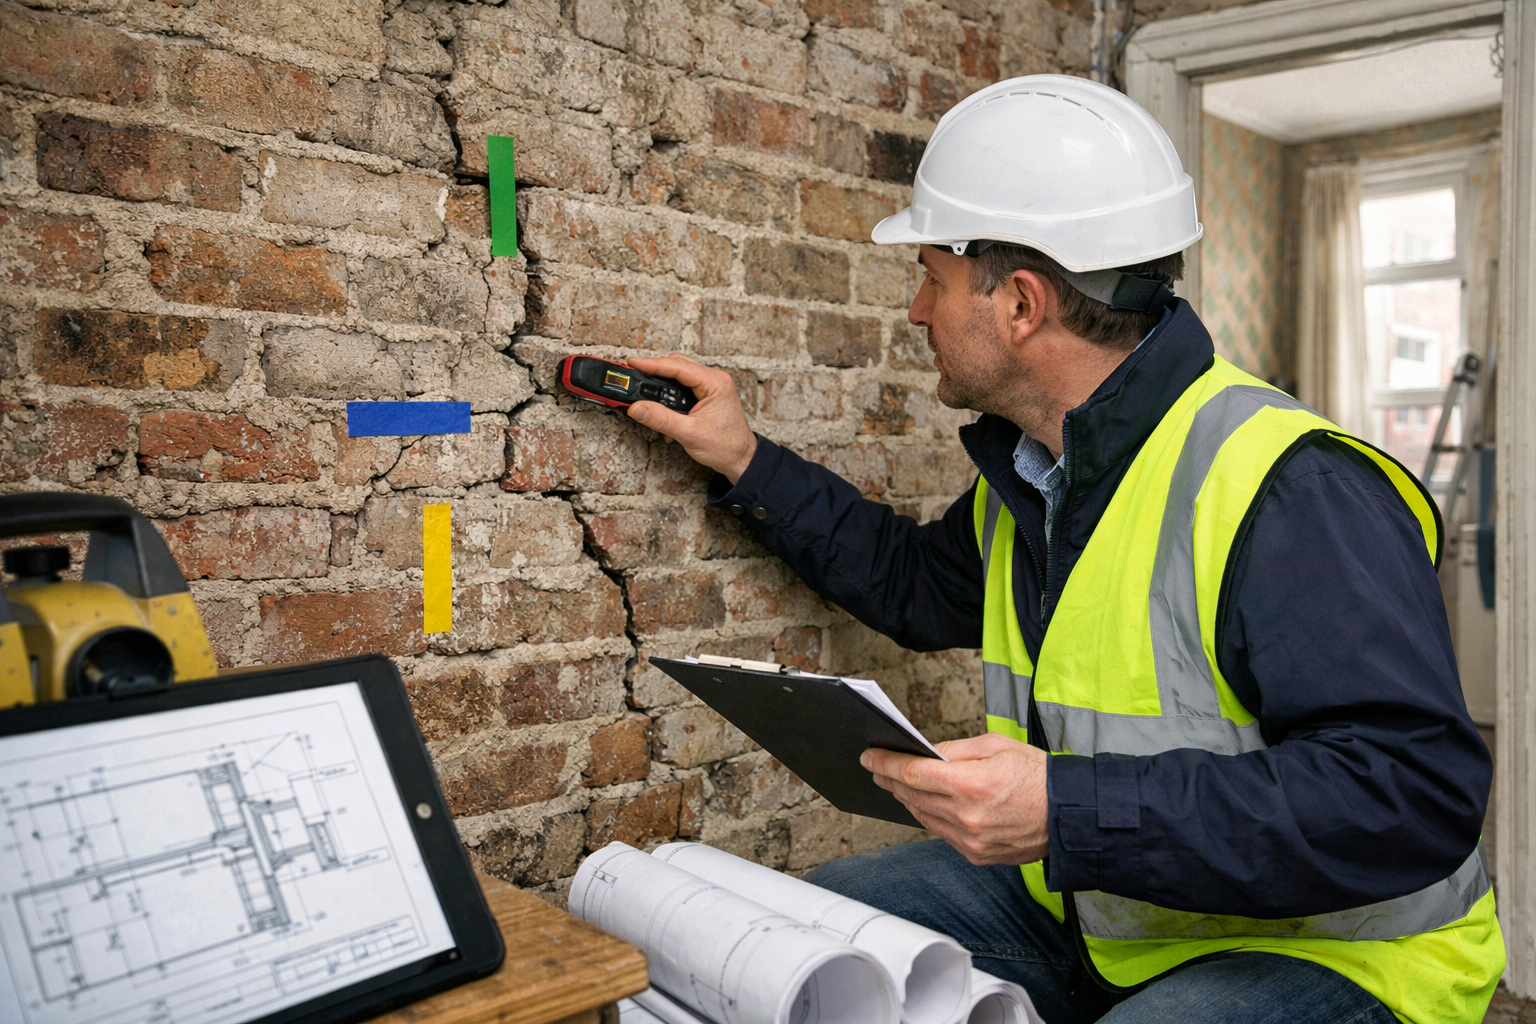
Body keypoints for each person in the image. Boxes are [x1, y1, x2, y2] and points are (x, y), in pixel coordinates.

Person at [620, 76, 1503, 1024]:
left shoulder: (1295, 488)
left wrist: (1064, 810)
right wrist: (744, 458)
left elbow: (1410, 793)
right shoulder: (1041, 475)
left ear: (1022, 304)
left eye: (932, 278)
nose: (917, 310)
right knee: (804, 937)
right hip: (1108, 910)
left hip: (1337, 952)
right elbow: (913, 585)